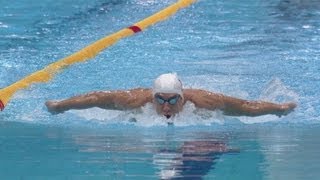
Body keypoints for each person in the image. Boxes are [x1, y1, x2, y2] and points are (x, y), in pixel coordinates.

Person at [45, 73, 297, 119]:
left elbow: (247, 106)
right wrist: (61, 106)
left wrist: (279, 108)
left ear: (183, 98)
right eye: (160, 100)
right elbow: (96, 98)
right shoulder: (136, 100)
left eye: (173, 100)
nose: (166, 106)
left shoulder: (204, 101)